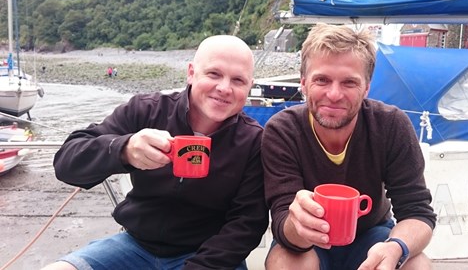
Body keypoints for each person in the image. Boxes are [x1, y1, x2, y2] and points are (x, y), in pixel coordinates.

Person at [42, 35, 269, 270]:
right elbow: (66, 162)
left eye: (238, 80)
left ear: (249, 86)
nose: (224, 88)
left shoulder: (254, 142)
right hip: (135, 246)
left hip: (210, 256)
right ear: (191, 73)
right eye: (214, 74)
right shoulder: (147, 111)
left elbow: (247, 223)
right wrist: (124, 149)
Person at [262, 23, 437, 270]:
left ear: (366, 87)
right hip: (306, 243)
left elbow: (417, 213)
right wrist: (299, 223)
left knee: (416, 265)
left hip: (372, 235)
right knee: (286, 263)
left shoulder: (390, 125)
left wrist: (395, 247)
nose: (334, 95)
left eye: (349, 83)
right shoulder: (283, 130)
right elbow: (283, 220)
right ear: (303, 83)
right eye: (322, 80)